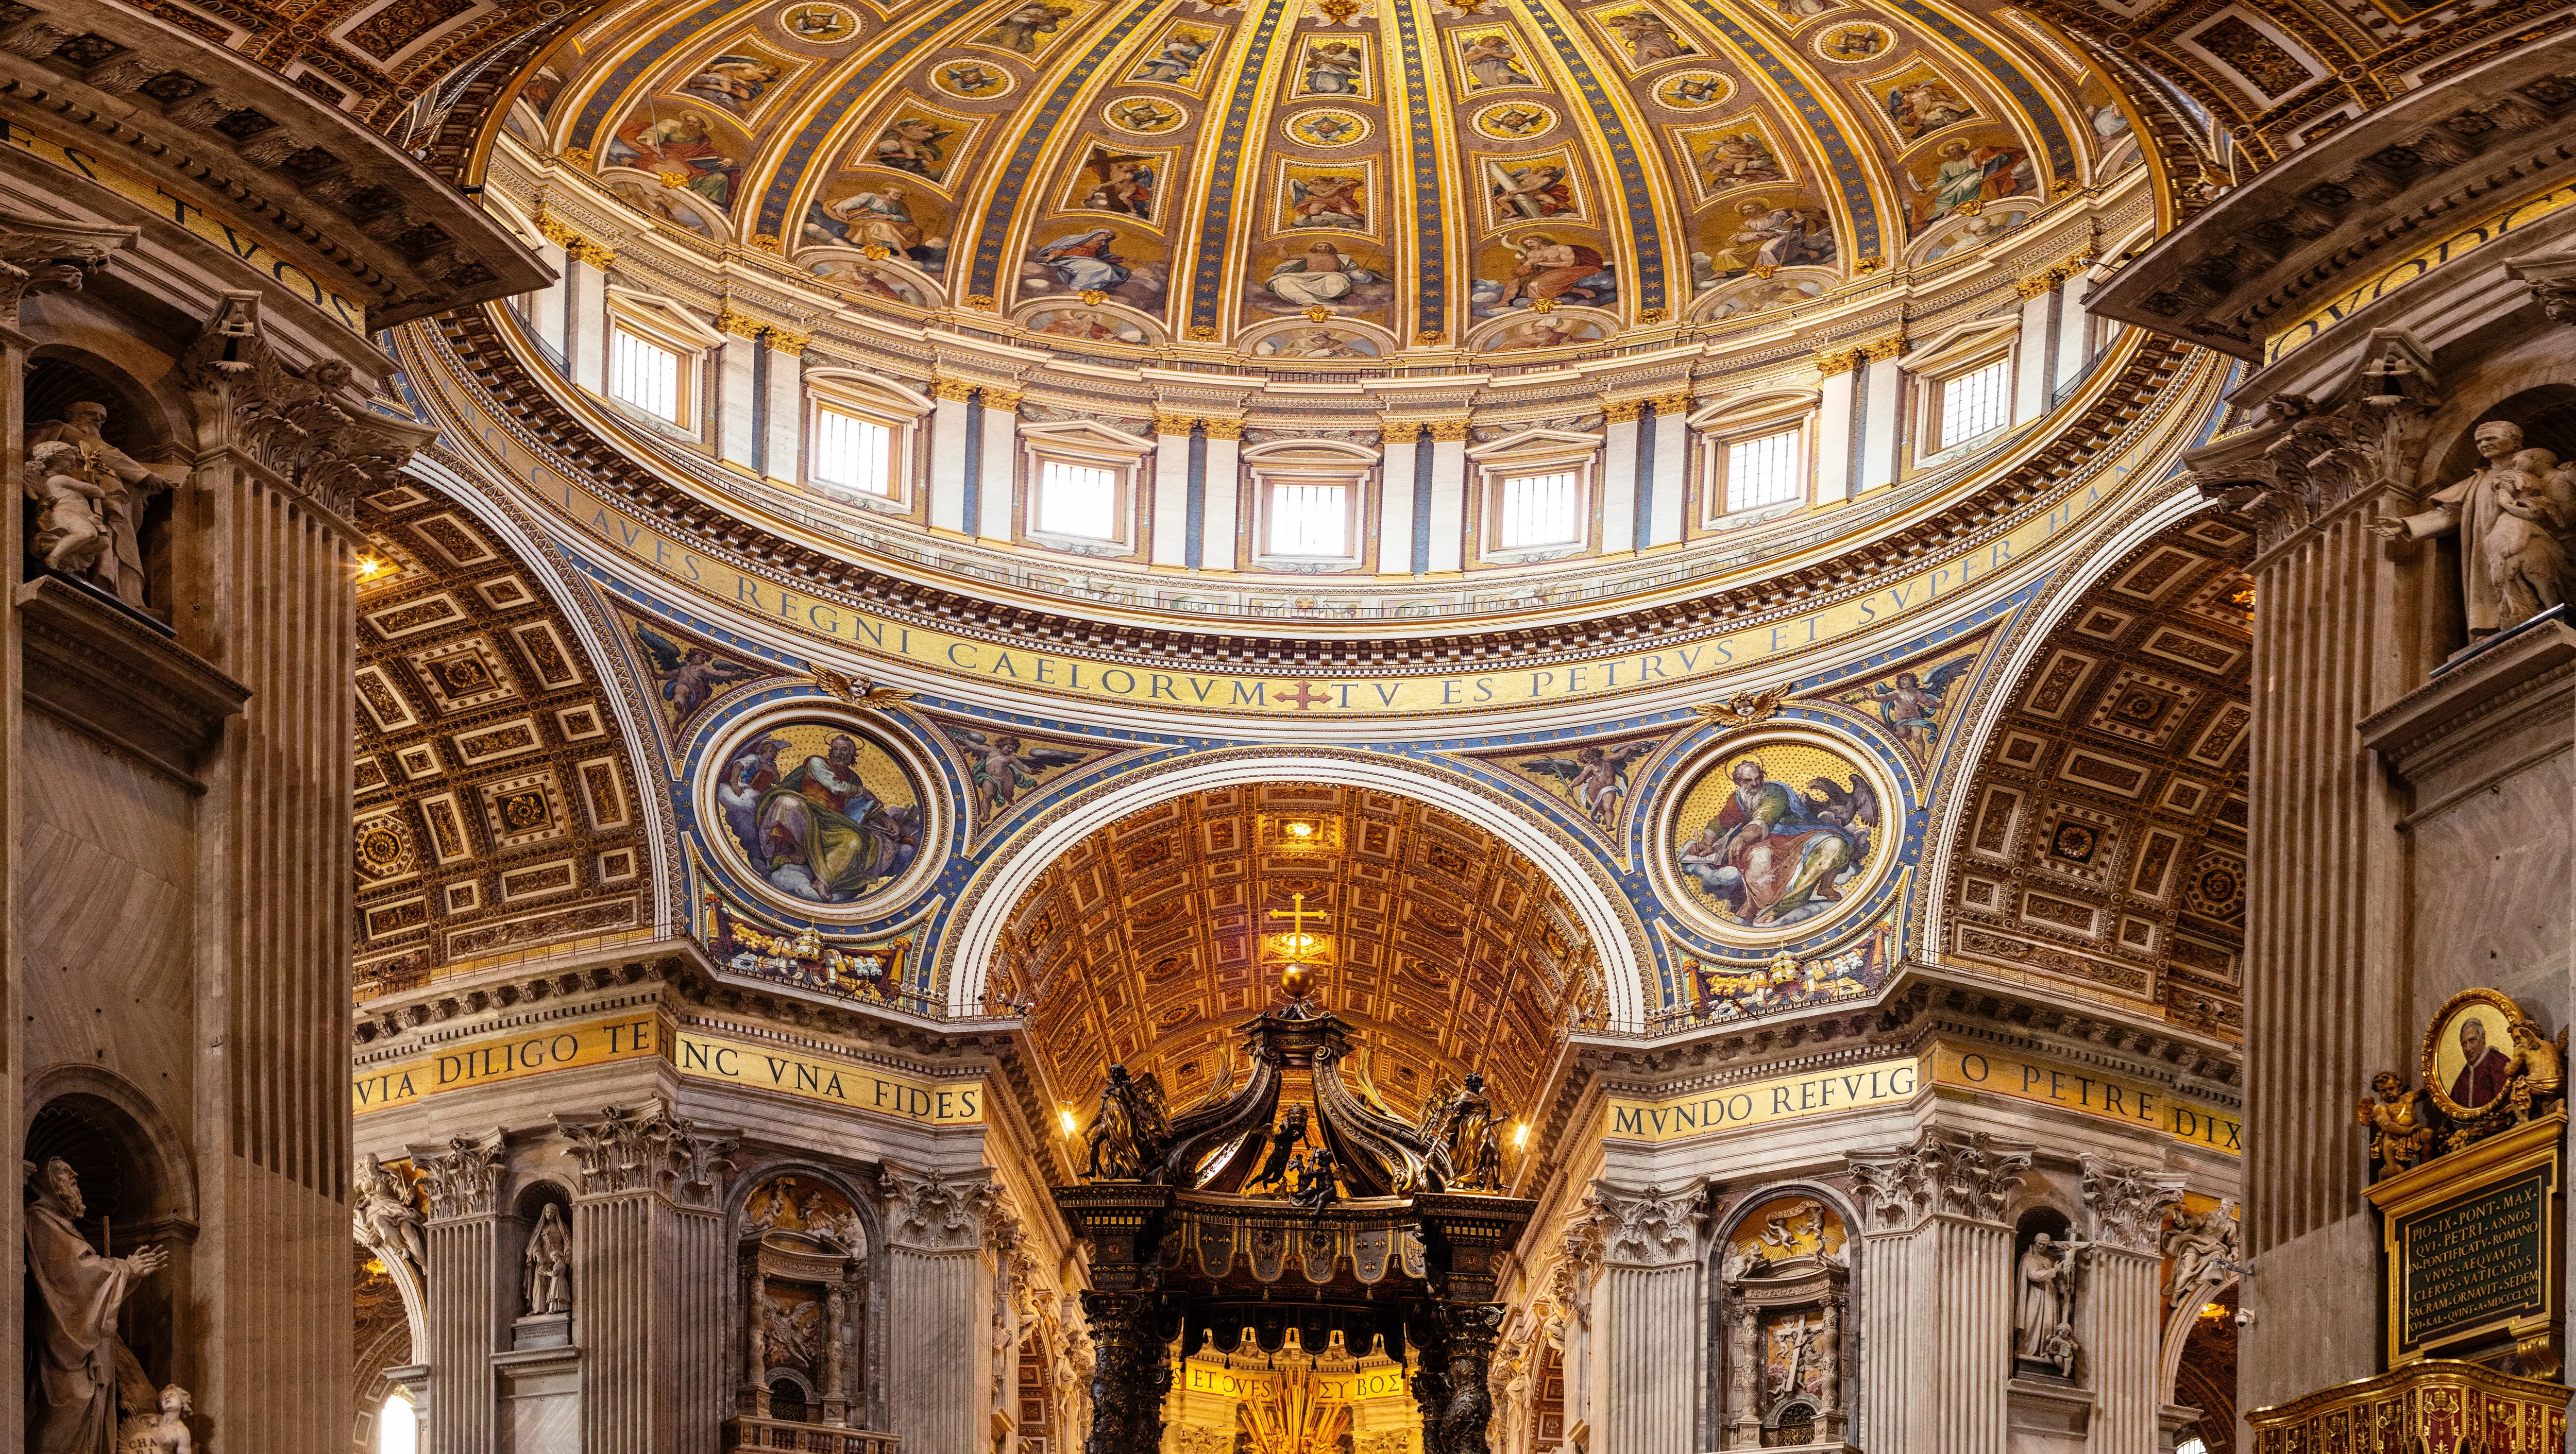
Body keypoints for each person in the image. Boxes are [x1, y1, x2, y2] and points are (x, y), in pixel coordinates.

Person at [27, 1158, 168, 1453]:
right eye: (65, 1172)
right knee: (69, 1409)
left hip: (87, 1343)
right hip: (64, 1345)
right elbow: (74, 1275)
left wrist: (125, 1274)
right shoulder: (40, 1218)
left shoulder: (63, 1226)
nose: (74, 1175)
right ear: (48, 1183)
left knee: (88, 1412)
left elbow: (94, 1289)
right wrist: (124, 1269)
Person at [2449, 1014, 2514, 1108]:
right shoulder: (2464, 1074)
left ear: (2483, 1038)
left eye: (2472, 1041)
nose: (2468, 1049)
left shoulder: (2498, 1062)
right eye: (2464, 1043)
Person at [524, 1202, 573, 1316]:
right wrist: (538, 1254)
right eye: (547, 1212)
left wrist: (569, 1254)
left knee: (557, 1281)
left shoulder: (562, 1227)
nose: (549, 1214)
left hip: (558, 1258)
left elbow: (567, 1243)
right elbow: (535, 1242)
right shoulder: (541, 1228)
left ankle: (558, 1307)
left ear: (556, 1214)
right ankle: (538, 1309)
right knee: (539, 1278)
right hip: (544, 1258)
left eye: (552, 1212)